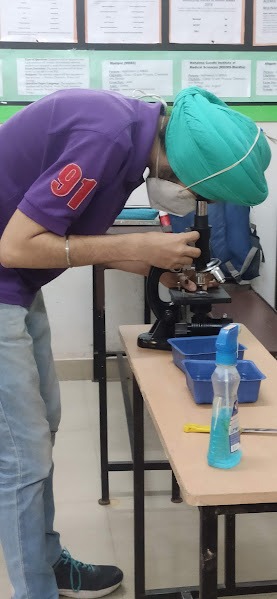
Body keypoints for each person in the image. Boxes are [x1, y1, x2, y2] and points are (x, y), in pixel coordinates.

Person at [0, 86, 271, 599]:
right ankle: (34, 589)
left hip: (15, 283)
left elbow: (71, 243)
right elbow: (17, 245)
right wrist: (136, 245)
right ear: (187, 165)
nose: (194, 202)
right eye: (199, 192)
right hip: (4, 275)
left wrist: (156, 267)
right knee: (22, 454)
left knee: (44, 423)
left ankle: (47, 560)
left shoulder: (130, 138)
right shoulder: (104, 137)